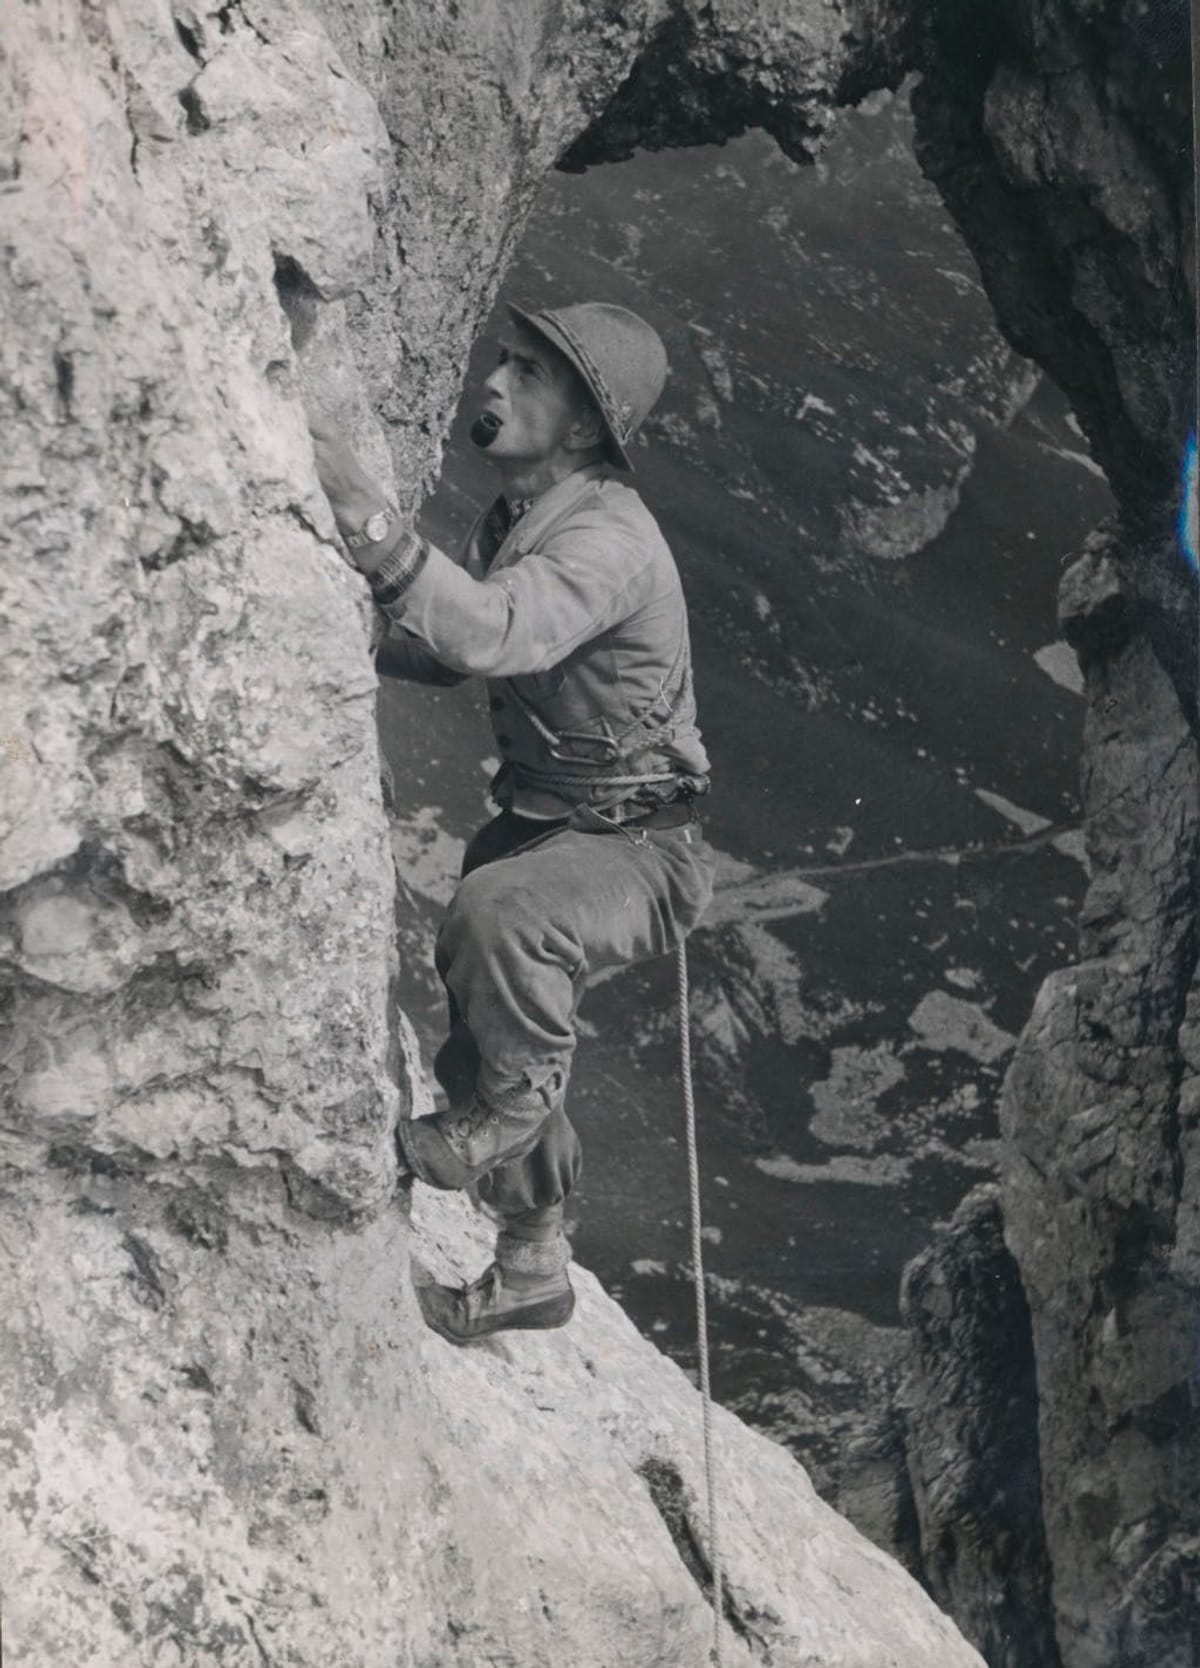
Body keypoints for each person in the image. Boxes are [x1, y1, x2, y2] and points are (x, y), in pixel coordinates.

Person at [311, 301, 715, 1343]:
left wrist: (366, 525)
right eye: (503, 360)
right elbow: (450, 651)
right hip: (547, 820)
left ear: (583, 427)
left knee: (499, 922)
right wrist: (321, 622)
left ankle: (509, 1122)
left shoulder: (610, 541)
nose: (494, 382)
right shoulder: (521, 518)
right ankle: (533, 1262)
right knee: (481, 1033)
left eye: (527, 374)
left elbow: (492, 632)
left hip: (633, 845)